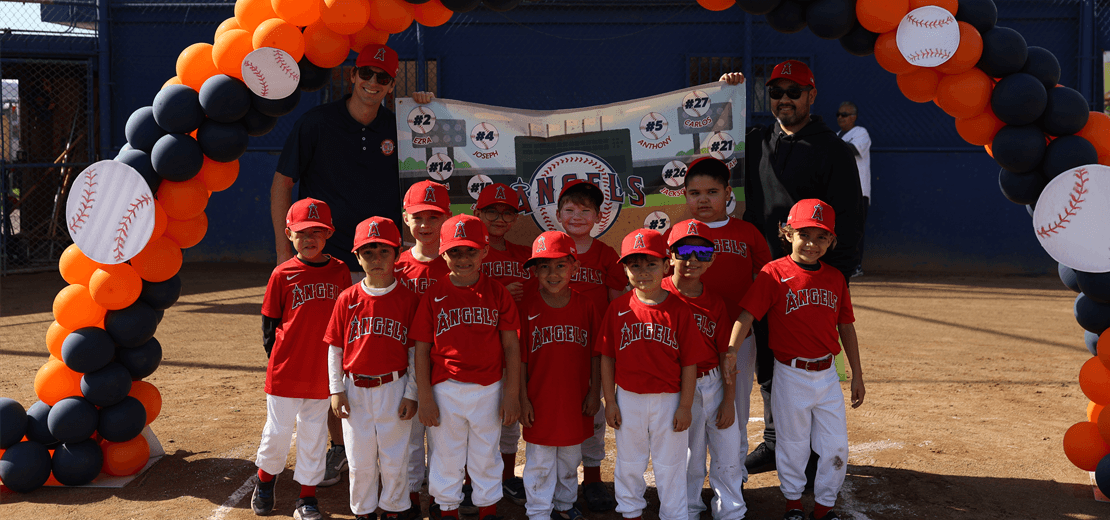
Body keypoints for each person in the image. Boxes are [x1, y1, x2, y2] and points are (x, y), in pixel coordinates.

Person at [270, 42, 434, 488]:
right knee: (334, 356)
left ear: (391, 84)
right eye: (366, 73)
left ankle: (385, 444)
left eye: (383, 78)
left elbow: (435, 146)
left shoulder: (397, 125)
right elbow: (282, 181)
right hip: (327, 264)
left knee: (385, 350)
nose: (372, 83)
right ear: (351, 74)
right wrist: (286, 255)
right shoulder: (316, 124)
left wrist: (428, 110)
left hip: (384, 261)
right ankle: (340, 448)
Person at [720, 60, 862, 475]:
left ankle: (815, 449)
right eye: (776, 92)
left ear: (812, 96)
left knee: (812, 359)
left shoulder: (832, 150)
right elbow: (716, 140)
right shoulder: (758, 140)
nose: (784, 99)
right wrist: (727, 93)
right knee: (770, 360)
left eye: (794, 92)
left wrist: (831, 276)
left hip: (810, 279)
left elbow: (848, 219)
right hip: (766, 275)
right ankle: (775, 441)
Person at [724, 199, 865, 520]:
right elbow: (746, 315)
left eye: (821, 237)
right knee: (793, 446)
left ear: (831, 241)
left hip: (827, 375)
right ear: (787, 233)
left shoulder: (835, 278)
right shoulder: (773, 273)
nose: (812, 244)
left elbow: (847, 326)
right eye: (804, 234)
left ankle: (825, 506)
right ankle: (793, 505)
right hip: (790, 374)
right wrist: (732, 350)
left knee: (835, 446)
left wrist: (857, 374)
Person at [412, 214, 522, 520]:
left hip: (489, 387)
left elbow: (512, 346)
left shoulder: (497, 292)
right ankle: (447, 510)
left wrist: (511, 394)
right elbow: (422, 350)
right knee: (447, 456)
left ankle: (487, 510)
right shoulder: (434, 293)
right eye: (455, 252)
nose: (463, 258)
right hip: (446, 388)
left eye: (471, 250)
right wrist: (425, 396)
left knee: (486, 454)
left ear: (485, 251)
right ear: (443, 253)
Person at [254, 198, 352, 520]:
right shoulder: (282, 274)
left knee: (314, 436)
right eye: (302, 232)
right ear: (288, 234)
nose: (310, 238)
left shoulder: (339, 272)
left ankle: (306, 499)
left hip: (322, 373)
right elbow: (270, 325)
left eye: (317, 232)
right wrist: (284, 358)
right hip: (286, 372)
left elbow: (344, 323)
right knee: (278, 434)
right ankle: (265, 482)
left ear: (329, 234)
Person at [598, 228, 701, 520]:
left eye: (651, 263)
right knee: (630, 462)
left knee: (670, 464)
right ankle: (631, 512)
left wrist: (685, 405)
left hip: (669, 398)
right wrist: (611, 400)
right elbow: (606, 357)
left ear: (666, 264)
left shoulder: (679, 309)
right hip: (629, 397)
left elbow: (689, 363)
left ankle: (675, 514)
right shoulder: (618, 308)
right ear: (625, 269)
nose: (643, 272)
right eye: (635, 264)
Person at [682, 156, 771, 490]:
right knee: (687, 411)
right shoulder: (678, 233)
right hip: (689, 342)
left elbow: (766, 281)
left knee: (736, 408)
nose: (703, 199)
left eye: (712, 191)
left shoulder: (747, 233)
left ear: (727, 193)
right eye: (694, 192)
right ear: (684, 196)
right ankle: (688, 482)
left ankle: (736, 475)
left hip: (738, 338)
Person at [324, 216, 421, 520]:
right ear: (357, 256)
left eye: (384, 252)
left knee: (395, 458)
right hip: (355, 392)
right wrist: (336, 390)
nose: (377, 259)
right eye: (368, 253)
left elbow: (415, 352)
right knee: (360, 460)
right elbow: (335, 348)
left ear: (397, 254)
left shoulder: (408, 299)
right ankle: (363, 512)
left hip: (394, 387)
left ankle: (394, 509)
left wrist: (412, 392)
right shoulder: (347, 299)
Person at [663, 220, 746, 520]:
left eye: (702, 251)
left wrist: (728, 399)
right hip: (675, 387)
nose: (693, 259)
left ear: (712, 258)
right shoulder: (658, 295)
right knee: (690, 457)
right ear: (670, 254)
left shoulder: (715, 303)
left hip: (713, 384)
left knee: (728, 453)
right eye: (685, 250)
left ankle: (731, 511)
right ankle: (688, 508)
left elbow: (727, 356)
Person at [518, 231, 600, 520]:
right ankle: (539, 510)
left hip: (574, 399)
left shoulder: (585, 305)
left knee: (569, 458)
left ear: (575, 268)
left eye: (560, 265)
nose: (552, 273)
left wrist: (594, 392)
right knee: (539, 460)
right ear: (535, 271)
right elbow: (521, 360)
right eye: (544, 266)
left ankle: (564, 505)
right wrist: (522, 399)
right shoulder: (527, 307)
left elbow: (595, 354)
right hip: (539, 400)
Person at [555, 179, 625, 512]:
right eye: (570, 209)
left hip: (593, 346)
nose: (578, 216)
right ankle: (559, 476)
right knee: (561, 411)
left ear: (599, 216)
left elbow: (615, 304)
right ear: (557, 214)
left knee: (594, 412)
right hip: (558, 347)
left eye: (586, 210)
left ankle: (593, 477)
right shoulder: (549, 251)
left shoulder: (606, 254)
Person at [394, 179, 452, 517]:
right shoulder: (397, 265)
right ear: (405, 218)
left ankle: (449, 497)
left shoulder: (458, 263)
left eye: (434, 216)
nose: (426, 225)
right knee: (410, 435)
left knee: (447, 435)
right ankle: (413, 495)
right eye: (418, 217)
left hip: (447, 363)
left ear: (447, 217)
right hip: (405, 363)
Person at [473, 182, 530, 504]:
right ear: (476, 212)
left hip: (513, 348)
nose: (499, 218)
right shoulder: (463, 252)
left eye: (507, 213)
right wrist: (498, 292)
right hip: (477, 349)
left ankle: (507, 476)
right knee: (476, 421)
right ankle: (471, 479)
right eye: (491, 211)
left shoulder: (524, 256)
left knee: (509, 418)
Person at [835, 101, 870, 278]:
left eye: (844, 114)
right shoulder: (837, 135)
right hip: (839, 191)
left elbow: (853, 150)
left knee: (855, 230)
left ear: (853, 117)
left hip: (859, 190)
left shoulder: (860, 132)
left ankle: (856, 266)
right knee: (840, 230)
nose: (840, 117)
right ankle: (843, 265)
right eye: (838, 114)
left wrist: (830, 143)